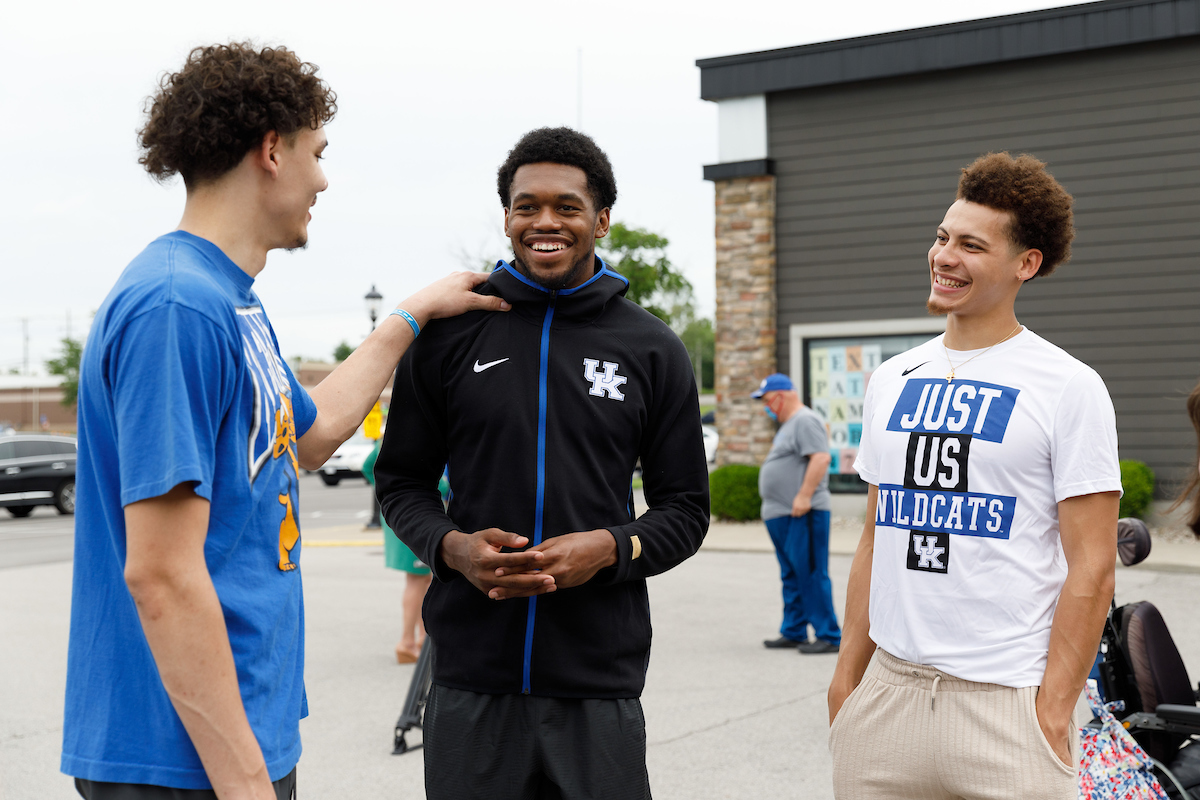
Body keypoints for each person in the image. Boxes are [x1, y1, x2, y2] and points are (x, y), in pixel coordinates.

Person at [60, 42, 507, 799]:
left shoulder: (231, 301)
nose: (323, 179)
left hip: (235, 735)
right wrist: (245, 788)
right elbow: (161, 573)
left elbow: (311, 434)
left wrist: (409, 316)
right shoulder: (177, 308)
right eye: (317, 151)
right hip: (178, 757)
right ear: (272, 149)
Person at [374, 126, 710, 800]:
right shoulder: (448, 338)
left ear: (602, 220)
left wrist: (612, 548)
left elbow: (686, 511)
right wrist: (451, 548)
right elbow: (401, 482)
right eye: (526, 206)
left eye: (567, 206)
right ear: (507, 217)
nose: (545, 222)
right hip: (471, 681)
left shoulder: (652, 348)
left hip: (597, 685)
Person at [826, 152, 1122, 799]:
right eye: (941, 237)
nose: (944, 256)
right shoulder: (891, 380)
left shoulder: (1068, 387)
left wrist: (1049, 712)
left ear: (1026, 264)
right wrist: (848, 680)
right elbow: (877, 536)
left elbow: (1093, 565)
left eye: (970, 245)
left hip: (1007, 709)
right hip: (887, 699)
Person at [753, 373, 841, 654]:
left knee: (811, 572)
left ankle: (828, 634)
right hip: (782, 513)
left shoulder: (805, 420)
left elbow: (820, 457)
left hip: (804, 512)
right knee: (791, 573)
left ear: (782, 395)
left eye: (768, 401)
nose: (767, 408)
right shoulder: (789, 426)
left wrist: (803, 496)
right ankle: (794, 630)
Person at [363, 439, 434, 663]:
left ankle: (422, 639)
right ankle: (407, 642)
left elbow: (368, 467)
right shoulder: (400, 433)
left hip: (408, 515)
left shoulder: (386, 436)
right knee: (418, 579)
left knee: (425, 579)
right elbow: (368, 467)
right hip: (415, 517)